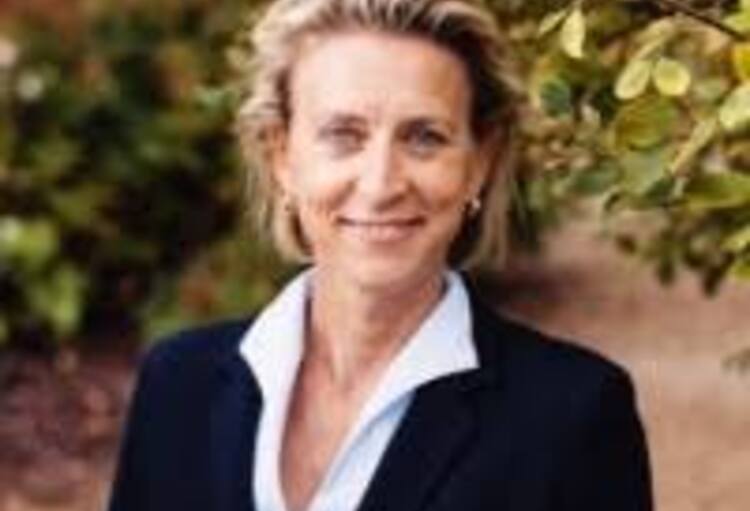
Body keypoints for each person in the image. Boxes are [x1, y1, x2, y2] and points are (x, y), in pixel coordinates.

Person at [108, 0, 653, 510]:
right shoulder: (178, 384)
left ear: (480, 163)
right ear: (282, 158)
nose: (381, 183)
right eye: (343, 134)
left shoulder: (573, 416)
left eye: (424, 137)